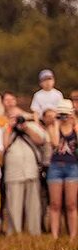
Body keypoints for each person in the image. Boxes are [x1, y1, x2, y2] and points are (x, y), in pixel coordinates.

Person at [2, 111, 46, 235]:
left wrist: (26, 128)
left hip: (31, 170)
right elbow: (4, 145)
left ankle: (35, 231)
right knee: (14, 204)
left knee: (33, 204)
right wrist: (10, 127)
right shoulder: (6, 129)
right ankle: (15, 232)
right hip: (13, 172)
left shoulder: (31, 126)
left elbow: (40, 140)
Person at [45, 100, 78, 239]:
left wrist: (74, 122)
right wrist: (57, 123)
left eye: (66, 114)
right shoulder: (53, 126)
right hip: (55, 167)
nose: (64, 117)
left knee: (71, 203)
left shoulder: (76, 126)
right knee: (55, 203)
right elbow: (55, 143)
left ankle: (72, 235)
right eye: (61, 114)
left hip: (72, 167)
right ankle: (54, 235)